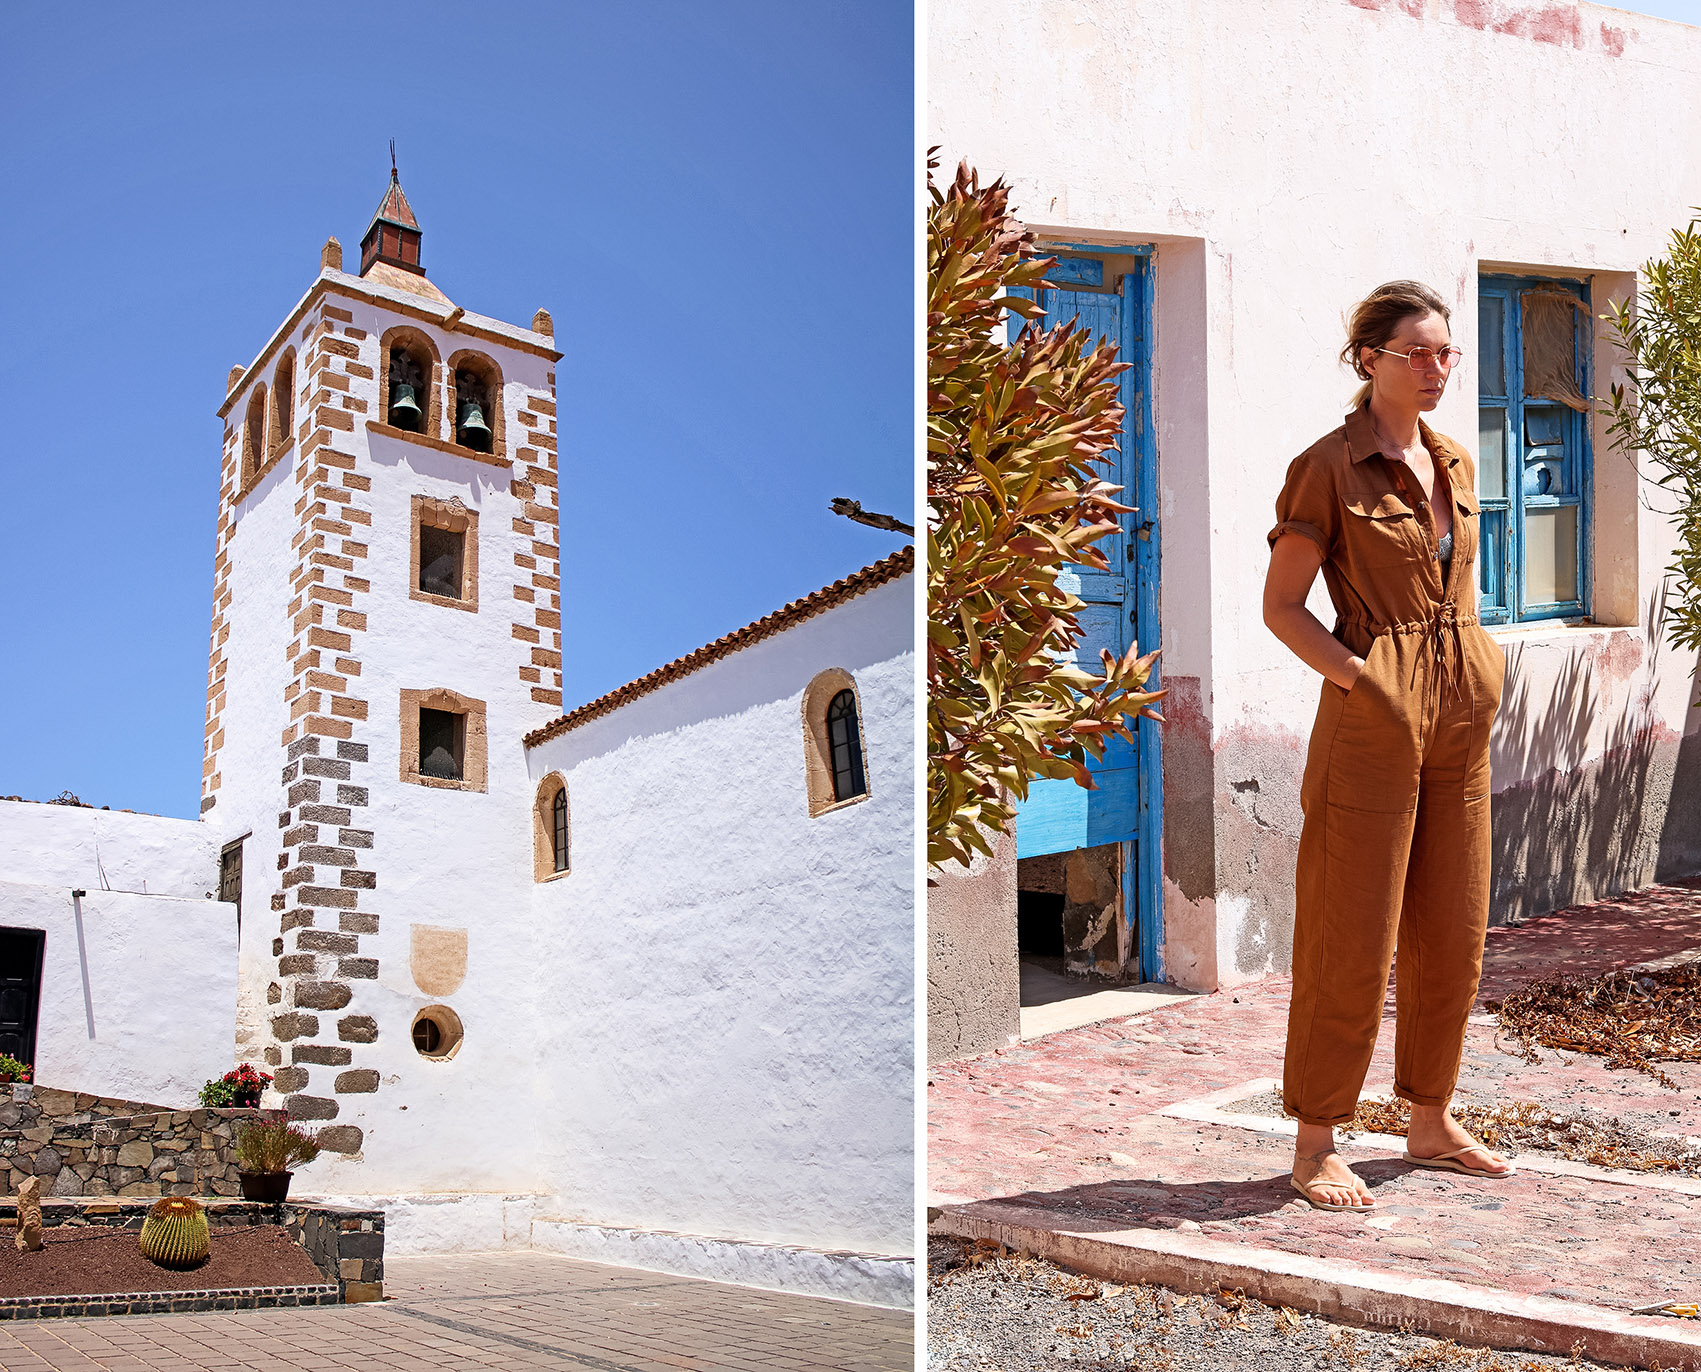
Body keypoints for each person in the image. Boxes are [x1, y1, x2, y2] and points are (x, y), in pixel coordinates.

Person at [1262, 280, 1514, 1211]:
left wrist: (1476, 672)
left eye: (1445, 352)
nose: (1437, 368)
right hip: (1372, 712)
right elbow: (1281, 609)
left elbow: (1458, 588)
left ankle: (1428, 1117)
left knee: (1453, 928)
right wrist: (1361, 681)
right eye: (1417, 352)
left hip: (1461, 708)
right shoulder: (1325, 467)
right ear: (1369, 360)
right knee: (1349, 933)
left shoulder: (1453, 460)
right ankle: (1316, 1138)